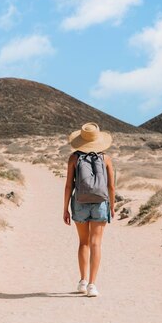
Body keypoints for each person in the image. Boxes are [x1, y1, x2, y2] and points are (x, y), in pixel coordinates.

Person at [63, 122, 115, 297]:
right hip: (101, 203)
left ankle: (83, 281)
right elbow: (111, 186)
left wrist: (65, 209)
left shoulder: (73, 158)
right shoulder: (106, 158)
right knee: (96, 243)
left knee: (83, 242)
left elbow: (68, 185)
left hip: (79, 202)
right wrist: (112, 207)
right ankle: (93, 284)